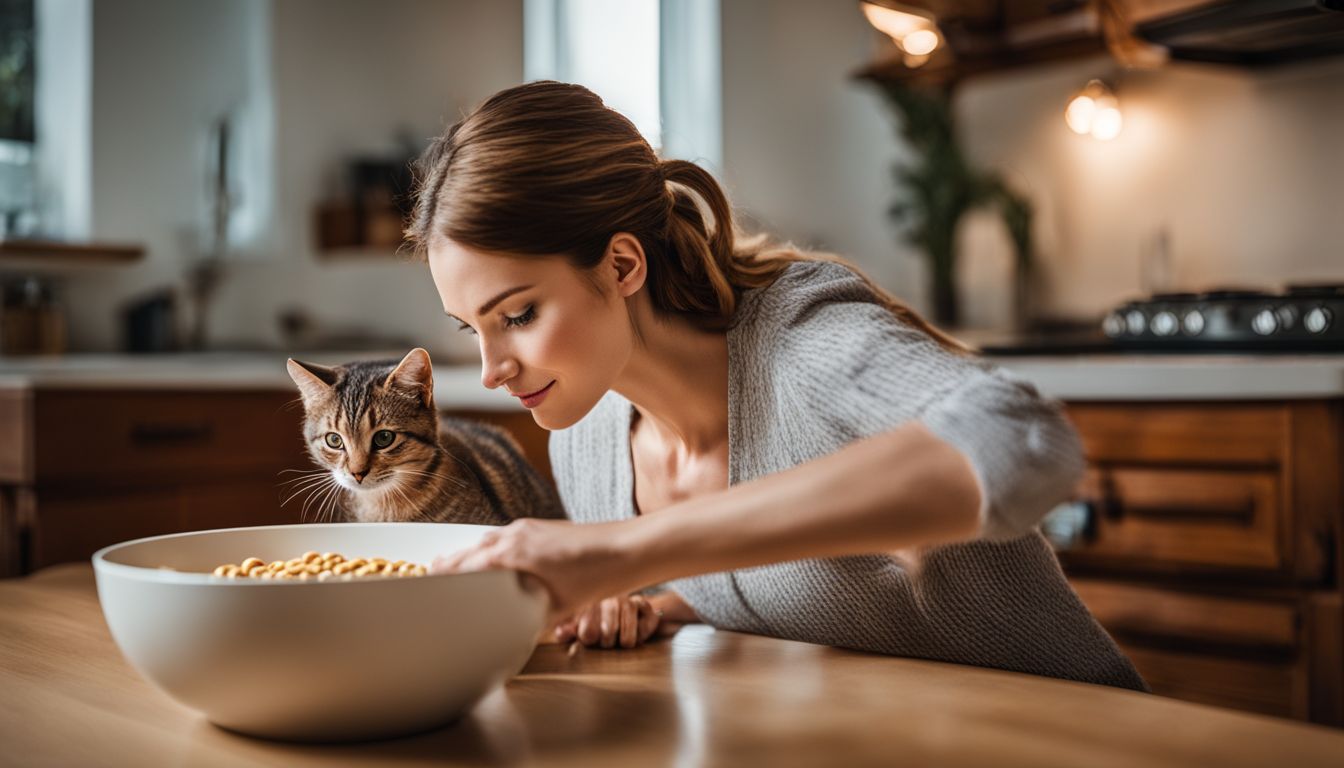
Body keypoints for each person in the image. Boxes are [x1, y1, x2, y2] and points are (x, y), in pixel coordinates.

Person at [406, 81, 1146, 691]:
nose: (494, 367)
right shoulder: (590, 444)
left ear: (623, 266)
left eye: (519, 314)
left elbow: (1022, 439)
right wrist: (672, 605)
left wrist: (627, 552)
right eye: (474, 329)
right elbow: (823, 595)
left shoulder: (799, 342)